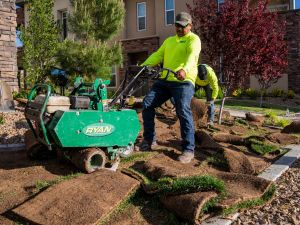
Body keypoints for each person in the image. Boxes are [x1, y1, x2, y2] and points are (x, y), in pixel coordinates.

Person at [136, 12, 201, 164]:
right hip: (166, 80)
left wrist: (184, 70)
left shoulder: (193, 39)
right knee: (147, 104)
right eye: (177, 25)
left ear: (190, 25)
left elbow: (192, 57)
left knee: (183, 109)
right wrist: (142, 67)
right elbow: (158, 55)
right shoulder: (169, 41)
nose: (179, 28)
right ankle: (149, 140)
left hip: (184, 81)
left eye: (183, 26)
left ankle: (188, 149)